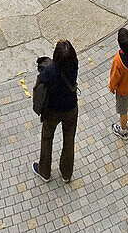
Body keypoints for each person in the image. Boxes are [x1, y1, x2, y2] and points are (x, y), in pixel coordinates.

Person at [33, 39, 79, 183]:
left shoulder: (50, 71)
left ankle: (44, 171)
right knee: (69, 139)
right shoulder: (74, 64)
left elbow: (38, 83)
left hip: (52, 111)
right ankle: (66, 173)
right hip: (71, 108)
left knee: (47, 138)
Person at [109, 27, 128, 138]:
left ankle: (123, 131)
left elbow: (114, 78)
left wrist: (112, 87)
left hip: (122, 90)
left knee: (122, 111)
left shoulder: (117, 60)